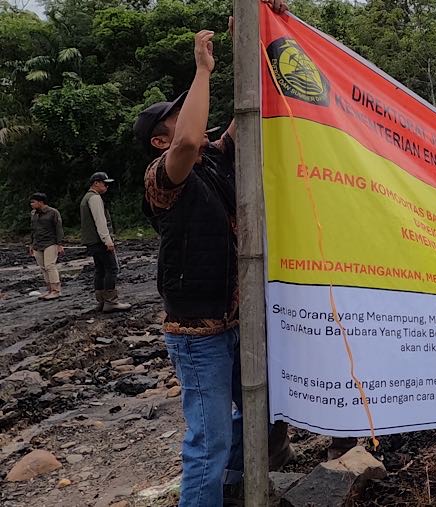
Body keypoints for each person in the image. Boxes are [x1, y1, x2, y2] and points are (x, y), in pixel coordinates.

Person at [135, 2, 291, 504]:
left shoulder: (216, 165)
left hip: (237, 321)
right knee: (210, 439)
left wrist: (257, 40)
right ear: (159, 139)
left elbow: (250, 115)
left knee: (263, 411)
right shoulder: (163, 178)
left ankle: (232, 489)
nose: (187, 121)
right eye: (175, 119)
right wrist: (202, 70)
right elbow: (188, 141)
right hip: (197, 333)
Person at [80, 172, 132, 311]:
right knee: (111, 268)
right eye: (104, 183)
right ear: (96, 183)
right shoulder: (95, 198)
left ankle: (101, 301)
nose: (107, 186)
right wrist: (107, 240)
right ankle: (111, 301)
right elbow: (100, 222)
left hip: (92, 241)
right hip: (99, 241)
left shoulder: (87, 197)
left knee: (100, 270)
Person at [29, 193, 64, 300]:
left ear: (41, 202)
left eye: (33, 202)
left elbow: (58, 228)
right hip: (37, 243)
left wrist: (60, 243)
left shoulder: (53, 212)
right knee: (43, 267)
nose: (31, 204)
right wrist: (31, 244)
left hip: (50, 242)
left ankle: (56, 290)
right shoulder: (33, 213)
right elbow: (33, 230)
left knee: (50, 265)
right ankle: (49, 290)